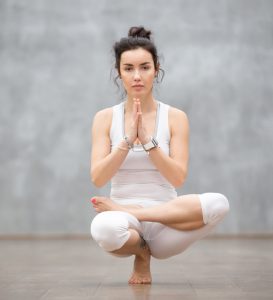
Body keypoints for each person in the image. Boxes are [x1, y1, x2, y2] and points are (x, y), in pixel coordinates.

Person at [89, 26, 230, 285]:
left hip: (167, 220)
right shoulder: (105, 118)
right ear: (119, 73)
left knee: (219, 203)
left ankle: (141, 230)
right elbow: (98, 177)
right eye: (128, 68)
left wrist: (149, 142)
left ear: (156, 68)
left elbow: (177, 178)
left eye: (144, 67)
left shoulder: (175, 118)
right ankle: (141, 251)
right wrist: (127, 141)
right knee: (103, 229)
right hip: (125, 223)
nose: (137, 76)